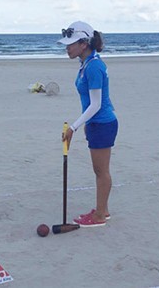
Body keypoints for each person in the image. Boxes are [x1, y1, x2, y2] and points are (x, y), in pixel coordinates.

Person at [58, 21, 118, 228]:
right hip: (96, 123)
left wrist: (74, 127)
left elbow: (96, 104)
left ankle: (100, 215)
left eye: (71, 43)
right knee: (99, 170)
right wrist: (84, 123)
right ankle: (103, 209)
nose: (67, 47)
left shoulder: (94, 67)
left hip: (103, 123)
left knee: (101, 171)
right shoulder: (87, 63)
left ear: (84, 44)